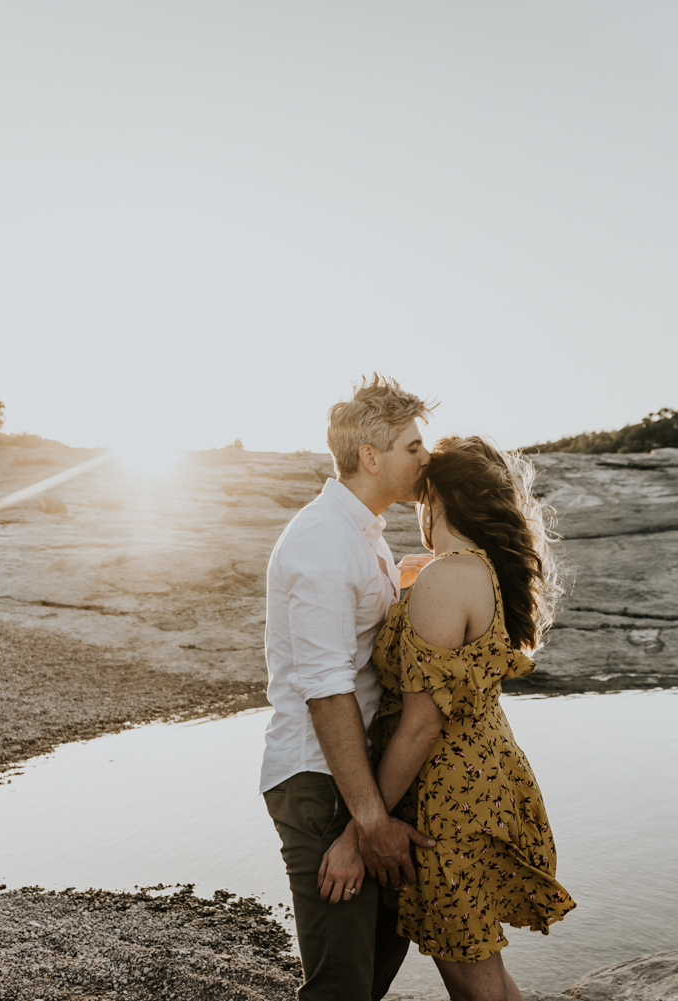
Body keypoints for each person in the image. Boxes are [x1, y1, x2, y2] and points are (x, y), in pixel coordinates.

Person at [322, 435, 575, 1001]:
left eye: (421, 498)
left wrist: (357, 831)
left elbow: (421, 725)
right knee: (477, 961)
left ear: (435, 499)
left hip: (449, 795)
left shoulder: (448, 576)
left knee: (472, 979)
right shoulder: (473, 570)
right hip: (484, 775)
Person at [260, 374, 440, 1001]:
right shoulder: (323, 541)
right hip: (320, 782)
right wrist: (367, 819)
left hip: (357, 776)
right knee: (340, 986)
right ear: (370, 456)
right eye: (413, 447)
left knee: (373, 969)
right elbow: (327, 688)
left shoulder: (364, 532)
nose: (426, 458)